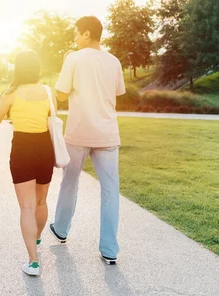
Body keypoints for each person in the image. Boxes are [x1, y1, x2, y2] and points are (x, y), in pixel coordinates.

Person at [49, 16, 126, 265]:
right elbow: (116, 93)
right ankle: (110, 249)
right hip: (107, 133)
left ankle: (61, 229)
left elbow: (60, 95)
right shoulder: (114, 62)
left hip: (79, 132)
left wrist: (64, 64)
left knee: (69, 182)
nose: (74, 37)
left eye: (76, 33)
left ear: (86, 34)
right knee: (110, 190)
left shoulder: (73, 58)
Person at [0, 50, 56, 277]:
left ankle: (33, 262)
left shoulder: (12, 92)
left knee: (26, 206)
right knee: (41, 201)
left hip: (23, 147)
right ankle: (36, 237)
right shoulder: (48, 91)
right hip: (45, 147)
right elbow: (50, 116)